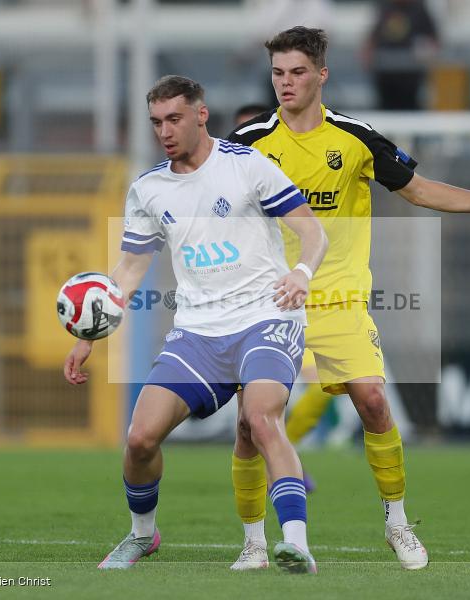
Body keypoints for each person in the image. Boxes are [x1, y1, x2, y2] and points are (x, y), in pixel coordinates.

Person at [227, 26, 470, 571]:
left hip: (341, 305)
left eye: (297, 72)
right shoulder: (250, 142)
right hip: (271, 308)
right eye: (278, 74)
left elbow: (419, 189)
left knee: (374, 402)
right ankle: (255, 542)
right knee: (251, 425)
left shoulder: (355, 138)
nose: (286, 83)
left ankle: (397, 523)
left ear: (321, 74)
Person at [64, 75, 328, 573]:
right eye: (156, 122)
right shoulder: (148, 189)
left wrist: (300, 271)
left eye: (174, 119)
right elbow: (129, 271)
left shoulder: (247, 167)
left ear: (201, 115)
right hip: (198, 331)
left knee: (262, 418)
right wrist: (88, 334)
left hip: (265, 316)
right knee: (140, 438)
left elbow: (311, 231)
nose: (164, 131)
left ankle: (297, 542)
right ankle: (143, 535)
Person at [362, 0, 440, 111]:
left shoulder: (419, 9)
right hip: (385, 75)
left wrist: (426, 51)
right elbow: (374, 35)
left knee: (409, 109)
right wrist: (368, 52)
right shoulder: (385, 7)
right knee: (385, 109)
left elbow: (433, 40)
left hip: (410, 78)